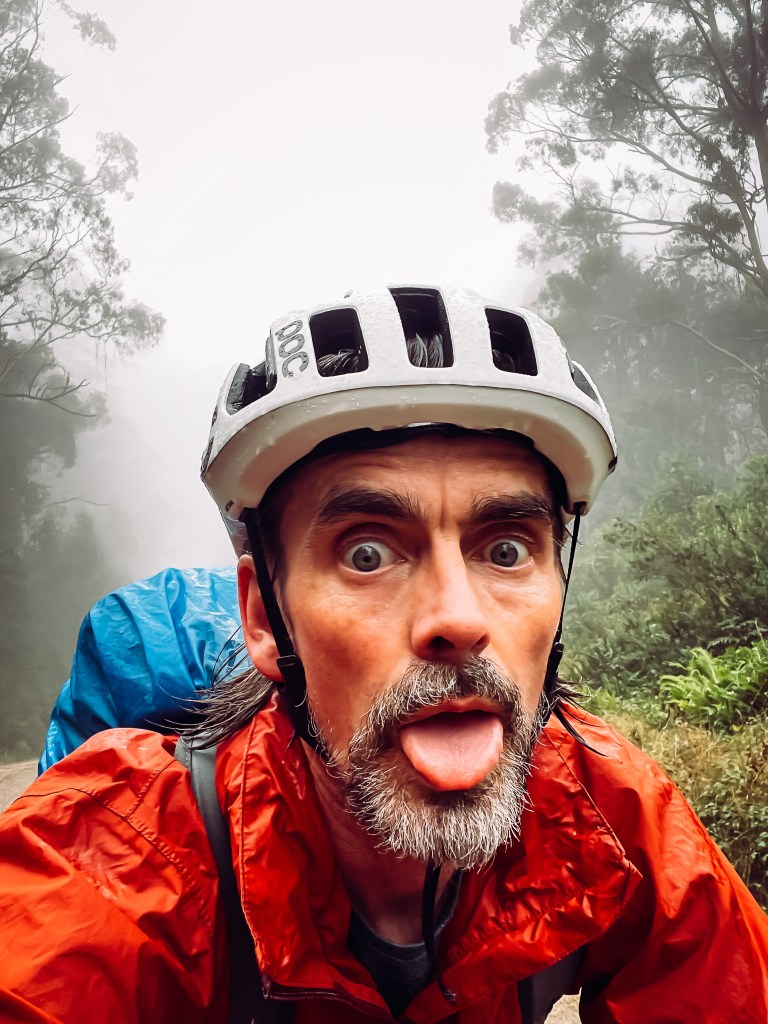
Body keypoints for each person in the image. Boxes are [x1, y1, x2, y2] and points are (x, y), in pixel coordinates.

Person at [1, 284, 766, 1024]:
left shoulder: (610, 816)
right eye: (366, 554)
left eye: (506, 549)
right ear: (265, 618)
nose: (458, 620)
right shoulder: (117, 851)